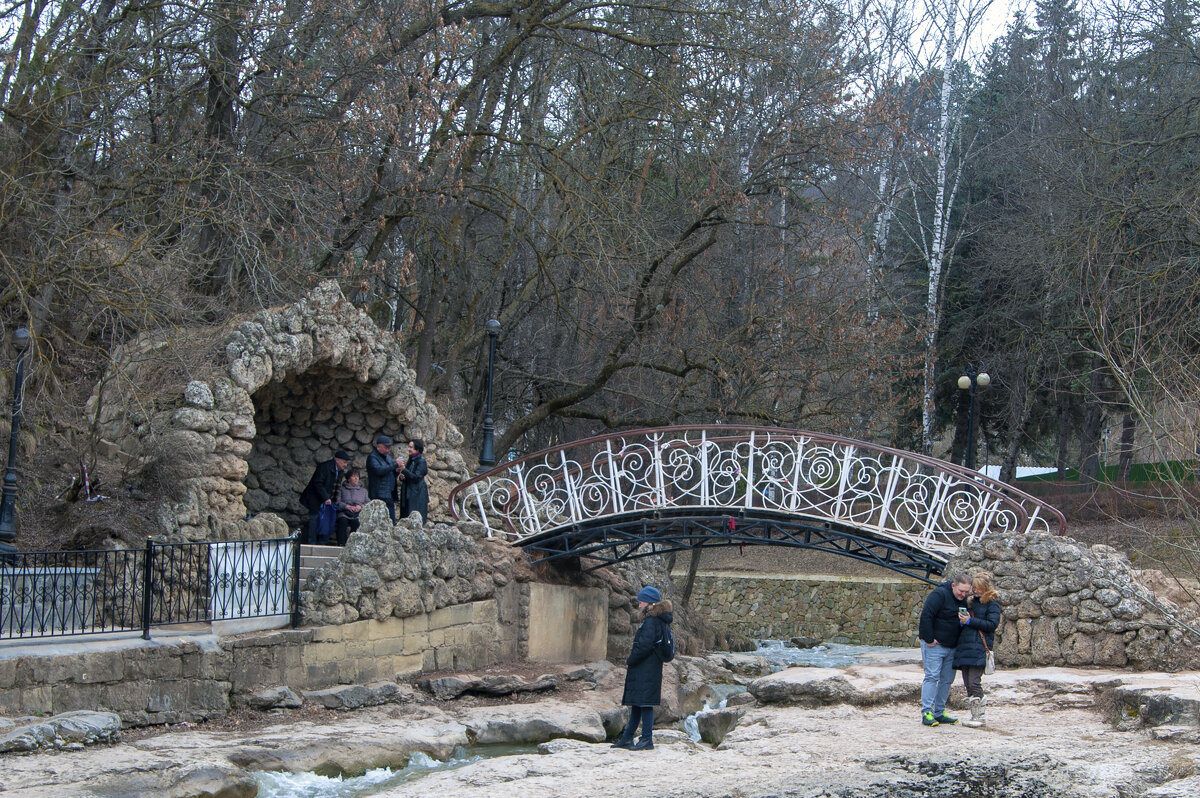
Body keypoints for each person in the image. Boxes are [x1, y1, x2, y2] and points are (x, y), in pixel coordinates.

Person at [612, 585, 674, 751]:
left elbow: (644, 646)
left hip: (644, 668)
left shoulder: (651, 622)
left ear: (650, 604)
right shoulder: (659, 621)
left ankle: (647, 739)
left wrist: (631, 660)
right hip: (650, 668)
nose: (639, 605)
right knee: (638, 703)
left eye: (642, 602)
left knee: (645, 704)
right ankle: (627, 738)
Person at [918, 572, 972, 727]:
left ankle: (939, 712)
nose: (963, 594)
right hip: (935, 645)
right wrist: (929, 639)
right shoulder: (939, 594)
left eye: (966, 592)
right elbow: (926, 616)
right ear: (953, 585)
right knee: (932, 677)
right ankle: (927, 712)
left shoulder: (963, 600)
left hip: (952, 647)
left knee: (947, 680)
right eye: (961, 591)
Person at [954, 571, 1001, 728]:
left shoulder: (992, 604)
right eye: (974, 587)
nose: (975, 590)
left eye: (978, 588)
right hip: (966, 646)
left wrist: (970, 621)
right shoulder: (970, 602)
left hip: (979, 647)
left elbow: (992, 625)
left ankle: (980, 716)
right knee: (968, 682)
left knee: (974, 681)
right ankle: (975, 715)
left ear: (986, 588)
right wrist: (962, 622)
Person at [299, 450, 350, 544]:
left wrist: (332, 501)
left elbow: (336, 486)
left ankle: (322, 543)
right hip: (315, 498)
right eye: (344, 462)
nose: (345, 465)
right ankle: (312, 543)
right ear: (337, 460)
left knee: (327, 522)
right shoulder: (324, 467)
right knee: (314, 519)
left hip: (329, 501)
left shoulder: (340, 471)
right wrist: (326, 497)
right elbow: (318, 483)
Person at [366, 435, 402, 522]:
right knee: (379, 522)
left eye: (389, 448)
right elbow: (379, 471)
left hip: (389, 493)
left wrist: (396, 470)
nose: (388, 450)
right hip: (379, 494)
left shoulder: (388, 457)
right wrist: (395, 464)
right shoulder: (372, 457)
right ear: (378, 446)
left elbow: (390, 472)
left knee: (391, 521)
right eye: (386, 447)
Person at [333, 467, 368, 546]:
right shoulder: (341, 489)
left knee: (357, 523)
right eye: (353, 476)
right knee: (342, 522)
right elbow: (337, 502)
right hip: (344, 513)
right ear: (348, 478)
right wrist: (347, 506)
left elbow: (368, 503)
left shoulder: (363, 491)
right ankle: (341, 543)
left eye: (357, 476)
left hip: (358, 514)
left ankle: (354, 545)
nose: (356, 478)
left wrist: (360, 506)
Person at [399, 438, 429, 523]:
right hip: (408, 492)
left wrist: (404, 470)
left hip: (417, 494)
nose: (409, 449)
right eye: (409, 447)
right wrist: (402, 476)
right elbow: (409, 475)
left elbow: (416, 477)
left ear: (417, 449)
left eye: (411, 447)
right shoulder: (411, 460)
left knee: (415, 518)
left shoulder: (421, 462)